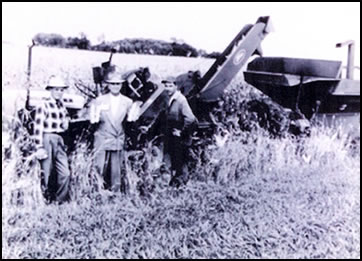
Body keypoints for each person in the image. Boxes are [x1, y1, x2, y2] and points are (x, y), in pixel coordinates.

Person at [90, 70, 140, 193]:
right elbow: (93, 122)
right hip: (102, 137)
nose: (115, 86)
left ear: (122, 85)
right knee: (99, 167)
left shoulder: (127, 102)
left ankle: (115, 195)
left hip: (118, 138)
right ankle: (98, 193)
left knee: (116, 170)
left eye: (118, 84)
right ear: (108, 85)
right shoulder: (99, 101)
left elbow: (131, 122)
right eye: (113, 84)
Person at [33, 75, 71, 204]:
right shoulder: (43, 105)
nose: (59, 92)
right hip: (47, 138)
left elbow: (65, 120)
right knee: (46, 172)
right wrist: (39, 147)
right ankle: (43, 200)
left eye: (61, 90)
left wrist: (66, 122)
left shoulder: (61, 105)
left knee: (65, 172)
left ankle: (60, 200)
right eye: (56, 89)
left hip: (59, 138)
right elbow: (38, 128)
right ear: (50, 90)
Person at [159, 76, 198, 188]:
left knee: (181, 161)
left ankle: (183, 186)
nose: (167, 88)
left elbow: (190, 118)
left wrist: (181, 131)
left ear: (176, 86)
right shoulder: (169, 99)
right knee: (173, 160)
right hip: (171, 135)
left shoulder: (181, 100)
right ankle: (173, 185)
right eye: (166, 86)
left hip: (180, 137)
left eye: (170, 86)